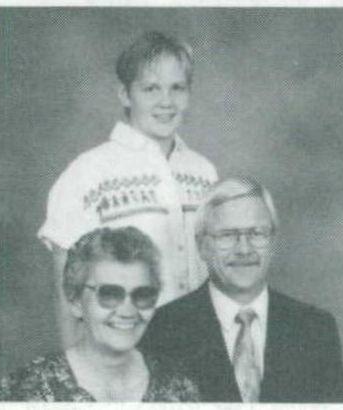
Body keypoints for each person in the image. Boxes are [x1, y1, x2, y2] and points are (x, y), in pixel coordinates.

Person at [37, 31, 218, 347]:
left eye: (177, 88)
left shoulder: (204, 172)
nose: (166, 102)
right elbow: (68, 294)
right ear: (124, 94)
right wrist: (79, 369)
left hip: (202, 344)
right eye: (151, 89)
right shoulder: (87, 173)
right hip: (125, 348)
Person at [140, 177, 343, 402]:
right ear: (201, 246)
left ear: (272, 241)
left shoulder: (315, 330)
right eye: (227, 235)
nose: (244, 249)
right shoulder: (161, 330)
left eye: (256, 233)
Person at [0, 227, 200, 402]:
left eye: (143, 295)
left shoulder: (180, 388)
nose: (128, 311)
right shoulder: (27, 389)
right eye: (110, 294)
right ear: (75, 301)